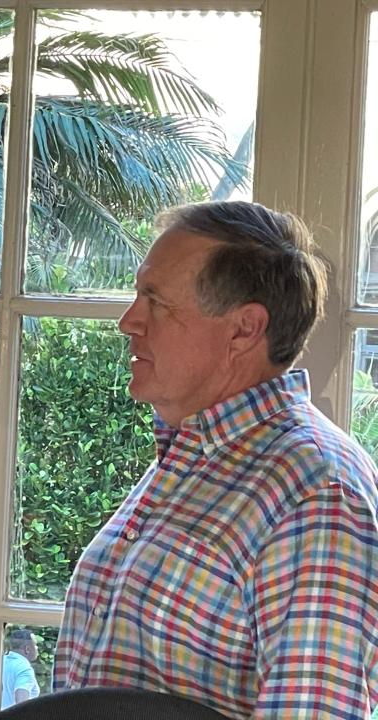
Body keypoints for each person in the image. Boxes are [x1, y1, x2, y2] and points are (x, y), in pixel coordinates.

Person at [51, 200, 378, 718]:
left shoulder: (317, 497)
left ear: (245, 329)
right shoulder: (199, 456)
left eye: (155, 302)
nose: (128, 322)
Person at [0, 629, 41, 713]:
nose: (37, 648)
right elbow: (21, 702)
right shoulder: (25, 669)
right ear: (27, 649)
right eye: (35, 645)